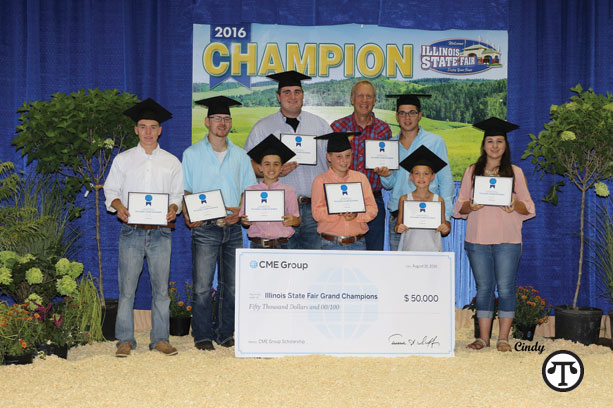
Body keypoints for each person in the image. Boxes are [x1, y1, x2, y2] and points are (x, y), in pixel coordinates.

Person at [103, 98, 183, 357]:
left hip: (161, 233)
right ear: (136, 130)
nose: (148, 131)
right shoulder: (123, 160)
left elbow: (177, 195)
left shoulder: (172, 162)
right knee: (127, 289)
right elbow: (110, 190)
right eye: (143, 126)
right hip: (132, 231)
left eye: (153, 126)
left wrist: (173, 209)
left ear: (160, 130)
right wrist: (118, 205)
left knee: (161, 290)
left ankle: (160, 338)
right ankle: (125, 339)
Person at [453, 117, 535, 352]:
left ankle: (504, 339)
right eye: (490, 141)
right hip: (477, 240)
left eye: (499, 141)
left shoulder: (515, 172)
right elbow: (459, 208)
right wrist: (472, 205)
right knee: (484, 288)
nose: (495, 145)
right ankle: (483, 339)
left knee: (507, 288)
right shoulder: (471, 172)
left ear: (505, 145)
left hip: (508, 240)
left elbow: (528, 207)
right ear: (483, 145)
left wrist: (513, 203)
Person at [182, 95, 256, 351]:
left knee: (231, 286)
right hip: (205, 228)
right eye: (217, 118)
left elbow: (248, 191)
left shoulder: (241, 156)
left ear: (230, 122)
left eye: (226, 119)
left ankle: (225, 333)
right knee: (203, 286)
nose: (222, 123)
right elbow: (186, 191)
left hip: (233, 228)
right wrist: (189, 215)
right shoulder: (191, 154)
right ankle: (202, 335)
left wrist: (241, 211)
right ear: (207, 122)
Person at [244, 70, 332, 249]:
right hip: (277, 209)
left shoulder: (320, 125)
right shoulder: (263, 128)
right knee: (283, 268)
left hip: (313, 206)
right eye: (287, 92)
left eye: (297, 92)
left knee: (312, 265)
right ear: (278, 96)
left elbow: (332, 162)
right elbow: (247, 166)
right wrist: (271, 171)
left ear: (303, 95)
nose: (292, 96)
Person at [380, 94, 454, 251]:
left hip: (428, 217)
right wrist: (385, 175)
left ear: (419, 115)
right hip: (399, 218)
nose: (407, 117)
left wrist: (446, 218)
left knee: (427, 268)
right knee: (400, 269)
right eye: (402, 113)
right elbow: (390, 184)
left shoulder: (434, 142)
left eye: (412, 112)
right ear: (397, 116)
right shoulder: (390, 145)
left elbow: (446, 181)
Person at [330, 80, 392, 250]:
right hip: (341, 199)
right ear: (351, 99)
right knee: (342, 252)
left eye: (369, 96)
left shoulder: (383, 130)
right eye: (360, 96)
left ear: (374, 100)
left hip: (373, 199)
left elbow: (388, 161)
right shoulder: (337, 127)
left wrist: (386, 172)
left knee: (373, 255)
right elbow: (328, 163)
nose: (364, 100)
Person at [311, 132, 378, 250]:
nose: (344, 160)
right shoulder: (320, 181)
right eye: (339, 156)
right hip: (331, 243)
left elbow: (372, 208)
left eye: (348, 156)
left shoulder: (360, 178)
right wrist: (337, 211)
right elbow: (316, 213)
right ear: (328, 157)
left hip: (358, 242)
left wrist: (357, 215)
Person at [240, 134, 301, 249]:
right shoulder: (250, 191)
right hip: (257, 244)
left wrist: (293, 220)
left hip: (283, 245)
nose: (271, 168)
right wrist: (245, 221)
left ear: (282, 168)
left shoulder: (289, 191)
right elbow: (244, 220)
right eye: (267, 164)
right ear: (260, 168)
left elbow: (297, 220)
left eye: (276, 164)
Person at [395, 145, 451, 252]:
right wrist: (399, 228)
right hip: (409, 248)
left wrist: (445, 229)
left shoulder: (438, 200)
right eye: (417, 173)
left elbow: (444, 228)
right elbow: (398, 225)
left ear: (432, 176)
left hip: (432, 249)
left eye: (426, 174)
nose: (421, 178)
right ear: (411, 176)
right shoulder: (405, 199)